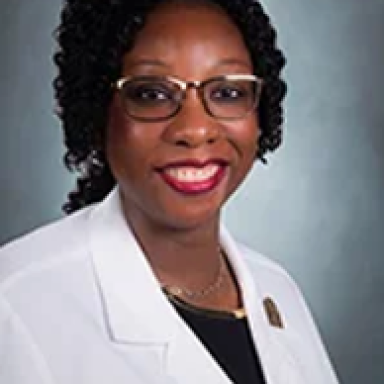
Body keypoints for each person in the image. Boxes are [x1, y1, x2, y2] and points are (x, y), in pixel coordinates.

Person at [0, 0, 339, 383]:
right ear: (97, 111)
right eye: (152, 94)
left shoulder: (277, 288)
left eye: (227, 93)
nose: (195, 129)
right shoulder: (16, 304)